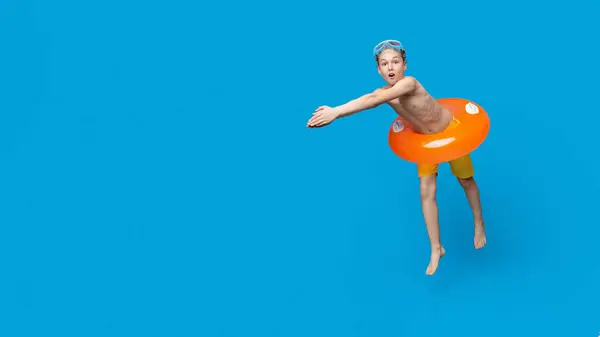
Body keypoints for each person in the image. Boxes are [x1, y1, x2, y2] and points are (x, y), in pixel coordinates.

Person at [307, 40, 486, 276]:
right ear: (378, 70)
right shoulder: (384, 93)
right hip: (425, 143)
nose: (390, 67)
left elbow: (373, 101)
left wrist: (336, 112)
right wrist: (335, 109)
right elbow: (368, 98)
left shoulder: (409, 84)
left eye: (395, 61)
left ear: (405, 65)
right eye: (384, 63)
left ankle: (479, 223)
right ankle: (436, 248)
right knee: (426, 192)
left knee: (466, 181)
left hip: (449, 132)